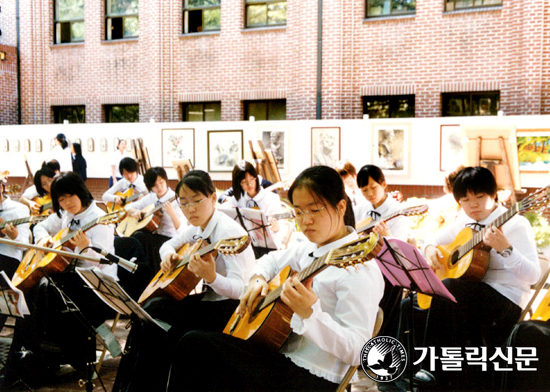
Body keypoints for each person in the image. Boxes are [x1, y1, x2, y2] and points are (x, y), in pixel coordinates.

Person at [165, 166, 385, 392]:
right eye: (298, 212)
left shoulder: (360, 269)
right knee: (193, 344)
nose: (305, 220)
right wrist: (258, 279)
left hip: (313, 377)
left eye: (314, 209)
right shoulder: (309, 248)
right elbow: (269, 260)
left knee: (196, 346)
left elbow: (359, 351)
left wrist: (310, 314)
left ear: (340, 206)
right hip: (281, 357)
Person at [113, 170, 256, 392]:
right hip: (211, 300)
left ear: (213, 198)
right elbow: (167, 245)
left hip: (231, 309)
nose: (190, 209)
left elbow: (241, 290)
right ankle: (127, 387)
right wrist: (168, 256)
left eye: (197, 201)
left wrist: (212, 277)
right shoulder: (198, 227)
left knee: (159, 326)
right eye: (184, 202)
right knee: (149, 313)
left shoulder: (228, 232)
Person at [422, 166, 540, 390]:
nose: (473, 205)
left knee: (449, 289)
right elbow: (431, 239)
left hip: (506, 300)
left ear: (493, 194)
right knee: (416, 302)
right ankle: (440, 377)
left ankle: (431, 372)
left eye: (479, 196)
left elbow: (533, 275)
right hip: (473, 295)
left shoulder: (515, 223)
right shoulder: (464, 221)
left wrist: (507, 249)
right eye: (465, 199)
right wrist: (429, 248)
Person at [5, 172, 117, 387]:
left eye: (70, 196)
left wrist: (84, 247)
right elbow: (40, 226)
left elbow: (100, 263)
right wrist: (45, 239)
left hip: (96, 284)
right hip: (68, 278)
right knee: (35, 291)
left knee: (44, 292)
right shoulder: (65, 214)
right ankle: (28, 363)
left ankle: (41, 362)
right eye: (61, 199)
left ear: (81, 193)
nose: (67, 203)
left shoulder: (100, 220)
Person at [125, 167, 185, 274]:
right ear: (150, 187)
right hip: (156, 236)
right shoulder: (151, 197)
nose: (159, 187)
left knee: (140, 237)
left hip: (170, 238)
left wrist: (172, 213)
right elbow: (127, 207)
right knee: (135, 236)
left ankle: (152, 274)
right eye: (154, 185)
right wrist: (135, 212)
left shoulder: (176, 199)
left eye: (161, 182)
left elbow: (182, 230)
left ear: (166, 180)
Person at [224, 161, 291, 255]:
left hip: (269, 248)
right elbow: (222, 210)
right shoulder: (238, 199)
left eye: (252, 179)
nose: (249, 184)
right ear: (238, 184)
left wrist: (277, 228)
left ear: (256, 178)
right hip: (246, 246)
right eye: (244, 182)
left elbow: (283, 226)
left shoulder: (271, 198)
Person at [0, 177, 30, 330]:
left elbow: (24, 245)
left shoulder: (19, 209)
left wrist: (14, 236)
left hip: (8, 259)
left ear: (1, 187)